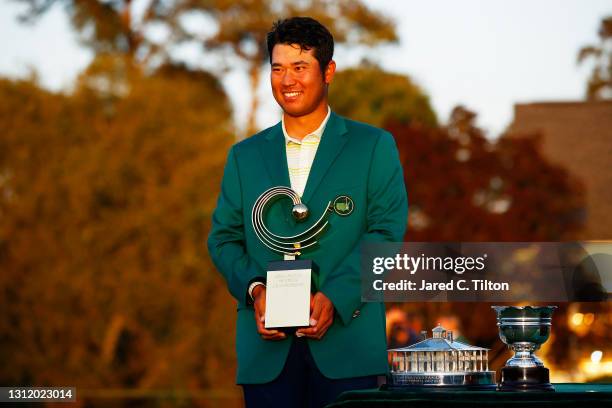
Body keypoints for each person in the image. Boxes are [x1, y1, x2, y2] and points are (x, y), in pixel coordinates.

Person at [207, 16, 408, 408]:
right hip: (266, 357)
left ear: (328, 70)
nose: (287, 80)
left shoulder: (373, 146)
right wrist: (256, 289)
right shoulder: (243, 156)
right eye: (278, 68)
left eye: (300, 67)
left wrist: (336, 295)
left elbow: (386, 235)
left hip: (349, 351)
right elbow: (224, 238)